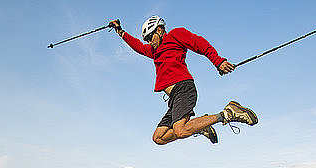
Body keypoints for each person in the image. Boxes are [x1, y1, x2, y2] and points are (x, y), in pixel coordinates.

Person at [109, 16, 258, 145]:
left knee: (180, 130)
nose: (149, 41)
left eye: (150, 36)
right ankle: (200, 125)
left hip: (183, 88)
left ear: (160, 30)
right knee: (158, 138)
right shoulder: (154, 51)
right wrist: (119, 31)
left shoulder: (175, 35)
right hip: (174, 98)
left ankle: (226, 114)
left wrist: (218, 61)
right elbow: (138, 46)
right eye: (146, 39)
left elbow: (199, 43)